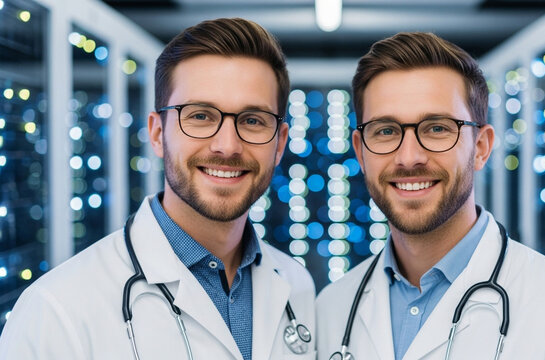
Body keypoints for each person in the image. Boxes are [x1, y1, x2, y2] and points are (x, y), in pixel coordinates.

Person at [0, 18, 316, 360]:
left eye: (253, 120)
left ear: (280, 143)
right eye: (200, 116)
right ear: (156, 133)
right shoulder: (56, 312)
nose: (228, 146)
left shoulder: (296, 285)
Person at [316, 32, 545, 360]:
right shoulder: (332, 308)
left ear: (481, 147)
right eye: (385, 131)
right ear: (360, 152)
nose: (409, 157)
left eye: (437, 128)